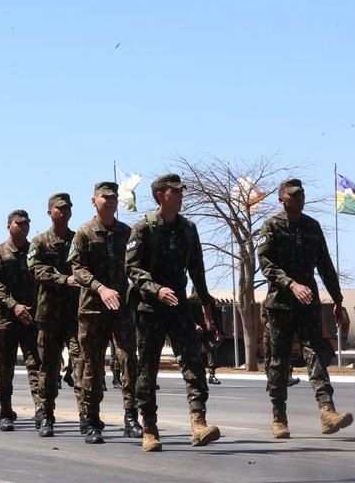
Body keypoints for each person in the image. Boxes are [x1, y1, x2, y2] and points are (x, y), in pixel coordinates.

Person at [125, 174, 221, 451]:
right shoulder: (143, 229)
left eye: (181, 192)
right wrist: (155, 289)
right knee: (147, 368)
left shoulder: (188, 229)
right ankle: (149, 428)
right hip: (150, 308)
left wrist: (205, 305)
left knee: (192, 362)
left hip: (179, 305)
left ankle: (199, 422)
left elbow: (197, 270)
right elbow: (131, 268)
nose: (180, 196)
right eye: (174, 192)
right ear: (159, 196)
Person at [257, 178, 353, 439]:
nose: (298, 198)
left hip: (308, 303)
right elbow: (266, 264)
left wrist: (338, 301)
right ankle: (279, 417)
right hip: (280, 305)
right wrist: (291, 284)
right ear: (281, 199)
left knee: (315, 353)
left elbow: (325, 266)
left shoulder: (312, 226)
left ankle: (327, 411)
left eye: (301, 194)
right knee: (279, 360)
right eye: (292, 195)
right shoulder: (271, 227)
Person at [71, 182, 141, 445]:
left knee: (127, 360)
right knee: (92, 365)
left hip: (121, 308)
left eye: (114, 198)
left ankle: (130, 417)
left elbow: (135, 265)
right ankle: (91, 419)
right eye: (105, 198)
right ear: (94, 201)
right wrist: (100, 288)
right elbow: (77, 269)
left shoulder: (126, 232)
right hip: (92, 309)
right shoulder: (84, 233)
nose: (110, 202)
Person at [28, 193, 84, 438]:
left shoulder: (78, 240)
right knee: (49, 367)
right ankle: (45, 414)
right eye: (59, 208)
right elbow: (35, 270)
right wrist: (63, 279)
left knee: (81, 364)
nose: (64, 211)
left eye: (68, 208)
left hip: (75, 314)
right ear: (50, 212)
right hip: (49, 314)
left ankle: (86, 415)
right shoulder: (39, 242)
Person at [0, 209, 43, 432]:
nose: (24, 227)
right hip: (5, 320)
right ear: (9, 227)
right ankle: (5, 411)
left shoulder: (35, 251)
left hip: (30, 318)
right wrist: (14, 305)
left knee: (36, 365)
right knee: (3, 368)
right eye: (19, 224)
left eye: (26, 223)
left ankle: (41, 410)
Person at [190, 291, 221, 385]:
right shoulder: (190, 300)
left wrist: (218, 330)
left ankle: (212, 375)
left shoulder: (210, 299)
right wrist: (195, 325)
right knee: (195, 352)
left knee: (211, 350)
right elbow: (187, 315)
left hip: (208, 328)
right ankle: (195, 375)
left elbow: (215, 315)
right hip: (196, 329)